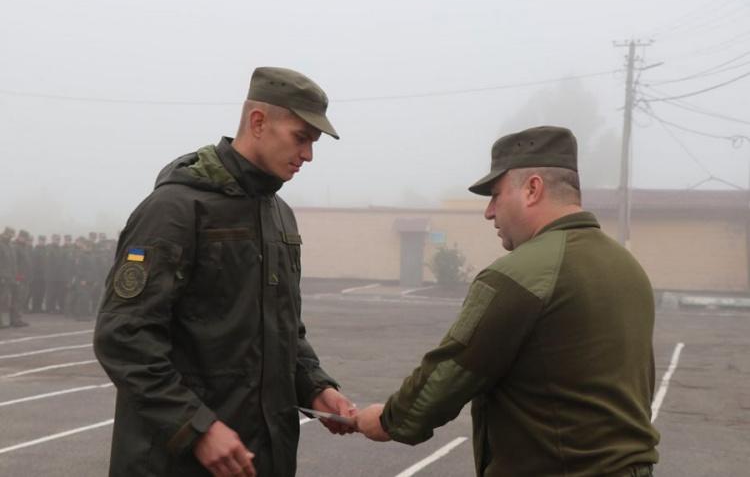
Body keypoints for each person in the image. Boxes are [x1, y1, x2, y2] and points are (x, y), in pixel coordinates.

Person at [94, 67, 356, 477]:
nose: (308, 154)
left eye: (313, 142)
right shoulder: (177, 209)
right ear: (258, 122)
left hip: (261, 458)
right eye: (301, 137)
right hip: (175, 461)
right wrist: (195, 428)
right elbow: (124, 334)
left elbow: (284, 328)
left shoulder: (278, 214)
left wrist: (316, 387)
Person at [354, 126, 660, 477]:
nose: (488, 212)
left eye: (495, 195)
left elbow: (451, 371)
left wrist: (387, 419)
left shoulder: (520, 275)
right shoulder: (628, 268)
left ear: (532, 189)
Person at [10, 229, 32, 327]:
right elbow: (14, 263)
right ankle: (14, 320)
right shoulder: (15, 247)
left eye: (25, 238)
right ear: (19, 236)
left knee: (23, 299)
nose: (24, 239)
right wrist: (17, 276)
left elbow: (27, 263)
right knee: (17, 299)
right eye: (23, 237)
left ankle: (18, 318)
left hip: (26, 277)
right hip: (19, 277)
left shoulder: (25, 247)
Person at [0, 227, 17, 329]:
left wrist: (15, 276)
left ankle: (1, 321)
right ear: (5, 234)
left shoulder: (10, 245)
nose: (10, 238)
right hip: (2, 278)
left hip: (9, 277)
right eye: (9, 235)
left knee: (5, 300)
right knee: (1, 299)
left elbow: (13, 263)